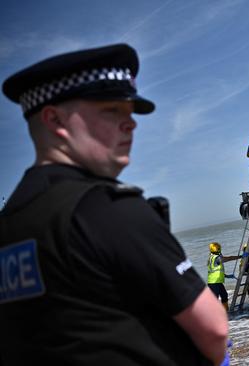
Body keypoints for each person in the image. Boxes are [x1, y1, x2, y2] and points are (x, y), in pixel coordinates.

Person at [0, 44, 228, 365]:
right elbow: (214, 330)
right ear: (55, 120)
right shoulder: (107, 208)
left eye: (130, 112)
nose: (131, 123)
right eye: (111, 110)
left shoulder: (11, 222)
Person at [207, 242, 242, 311]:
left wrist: (226, 276)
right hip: (214, 283)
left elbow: (215, 271)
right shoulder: (216, 258)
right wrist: (240, 256)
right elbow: (229, 258)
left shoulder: (211, 258)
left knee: (224, 296)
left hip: (217, 282)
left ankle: (226, 312)